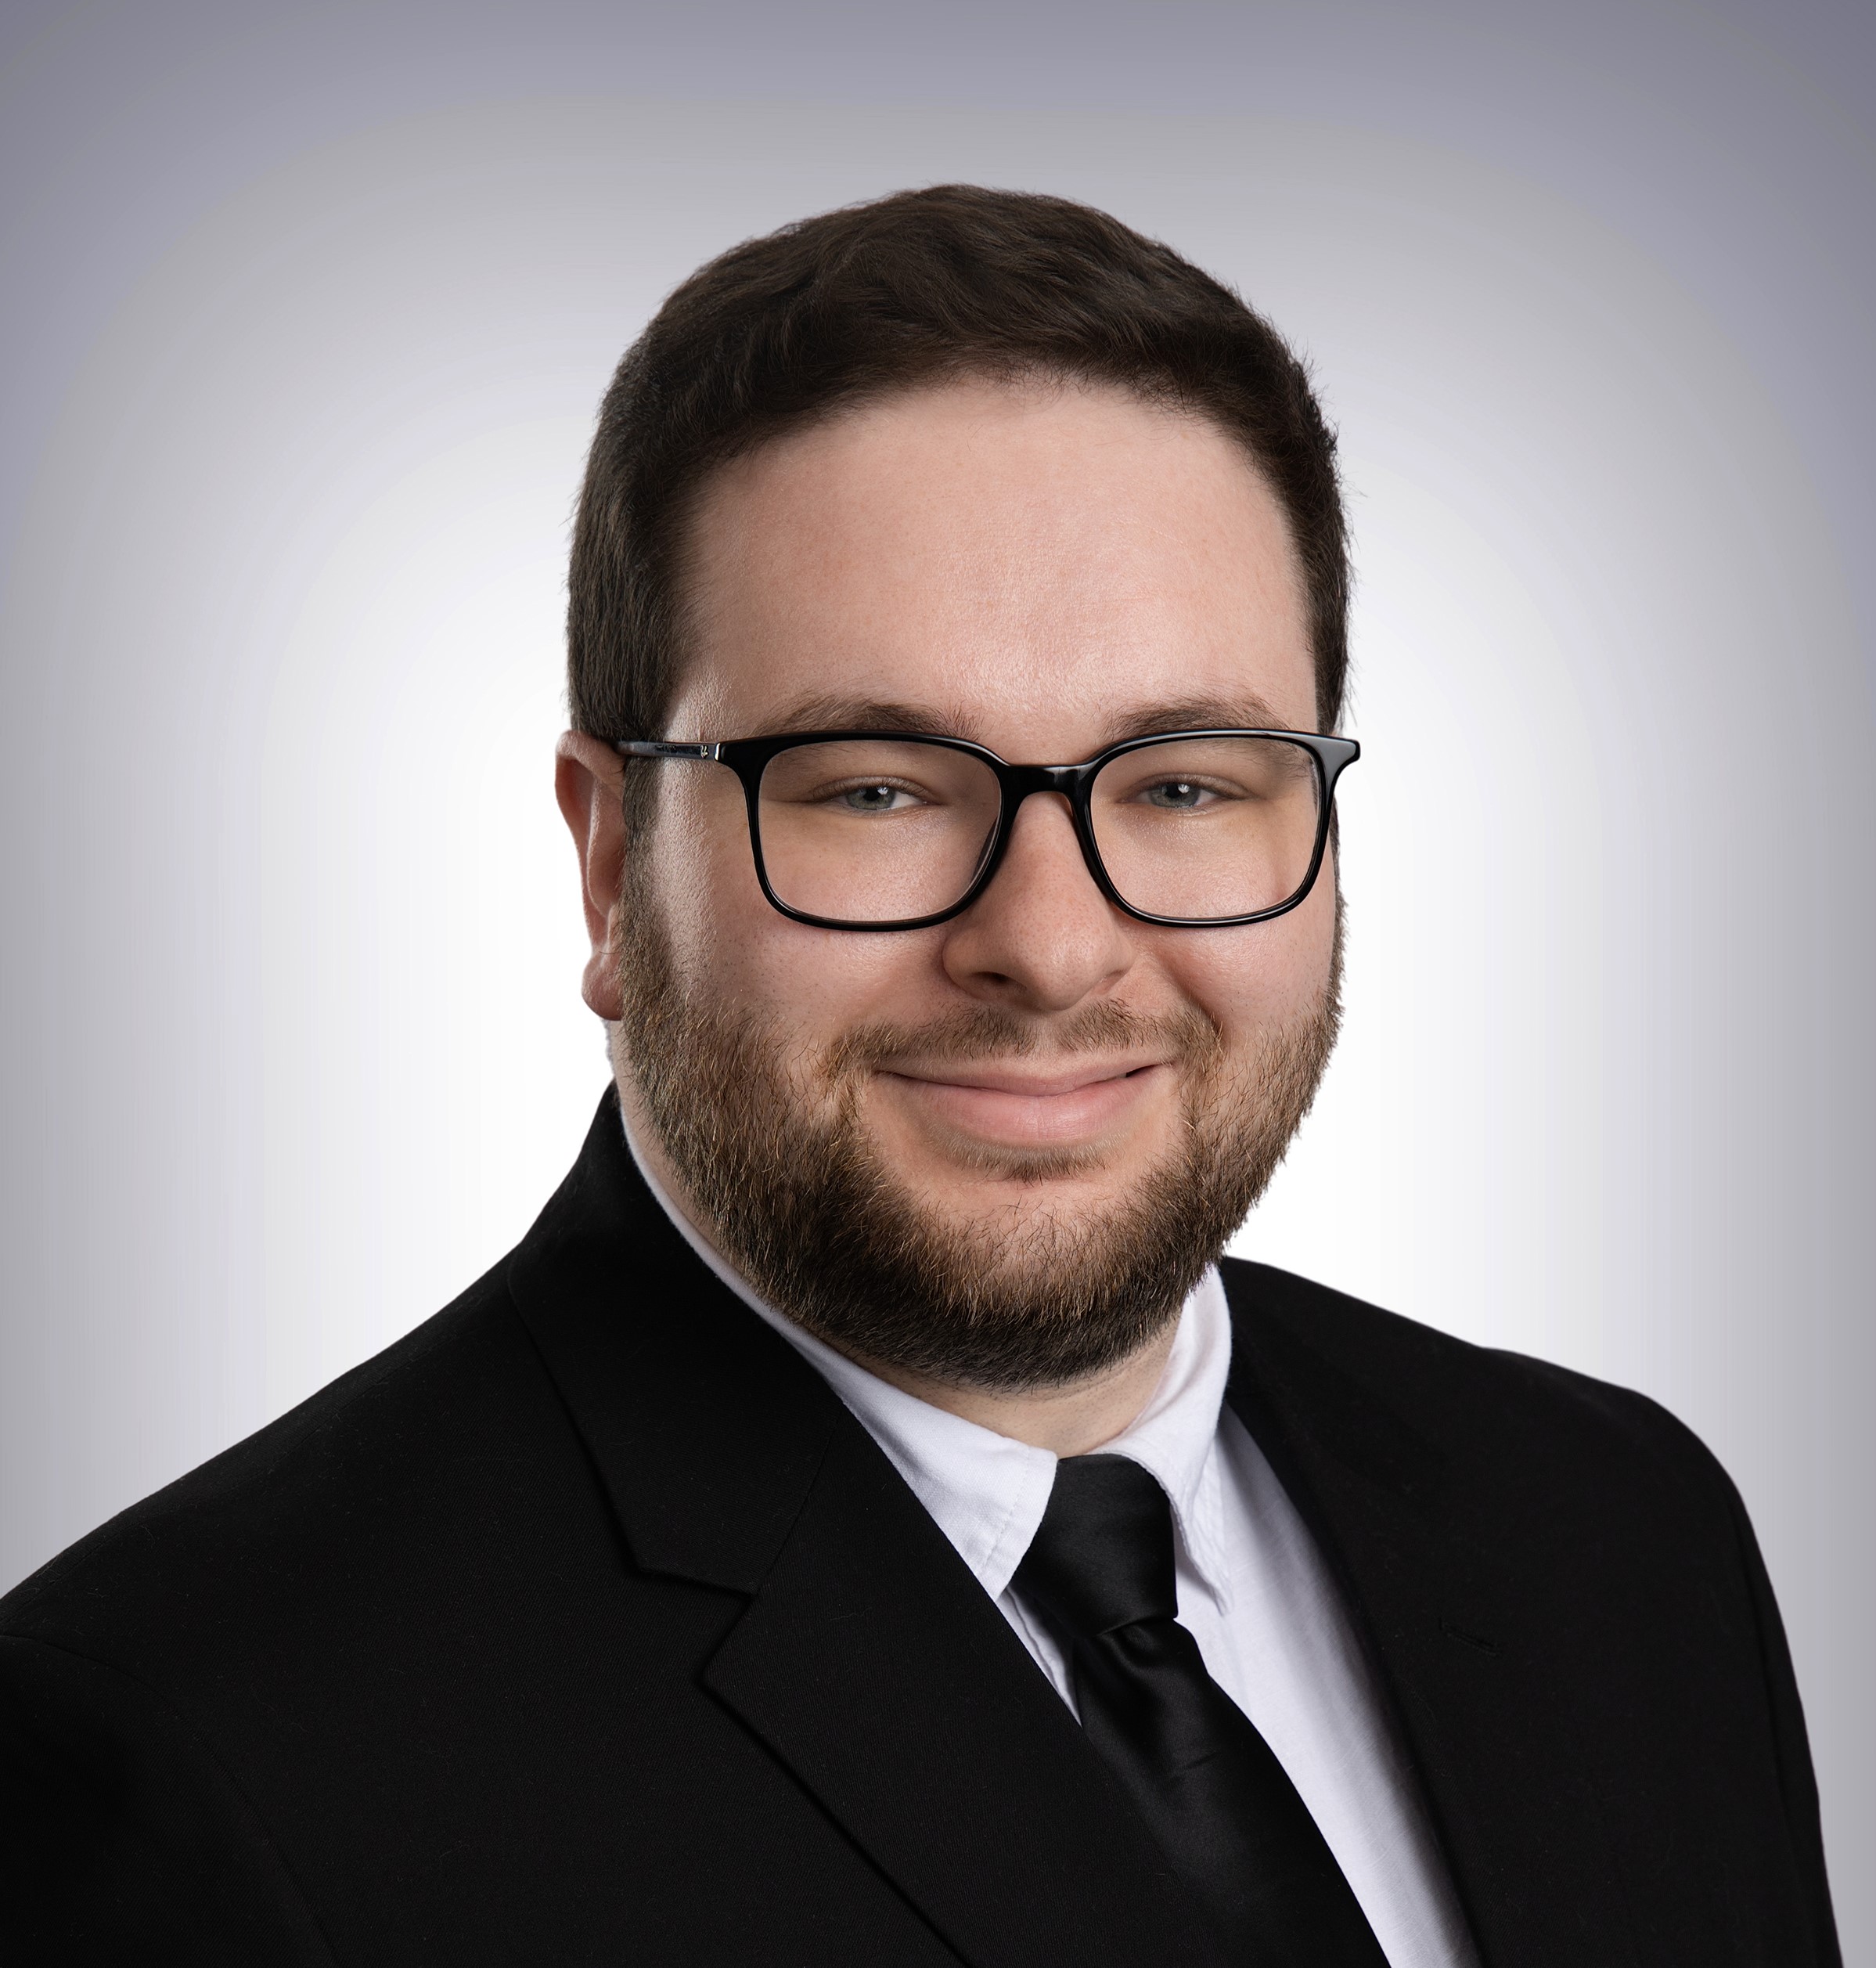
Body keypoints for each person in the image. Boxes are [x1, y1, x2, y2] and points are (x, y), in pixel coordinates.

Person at [0, 186, 1838, 1967]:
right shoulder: (192, 1749)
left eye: (1187, 782)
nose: (1048, 946)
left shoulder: (1617, 1533)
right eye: (873, 787)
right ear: (605, 866)